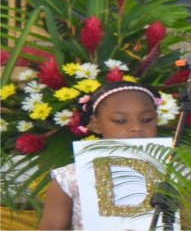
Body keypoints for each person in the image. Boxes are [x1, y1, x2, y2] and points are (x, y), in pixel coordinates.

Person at [38, 81, 162, 230]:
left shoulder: (178, 174)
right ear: (96, 125)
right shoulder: (70, 178)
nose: (136, 128)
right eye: (121, 121)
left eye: (147, 120)